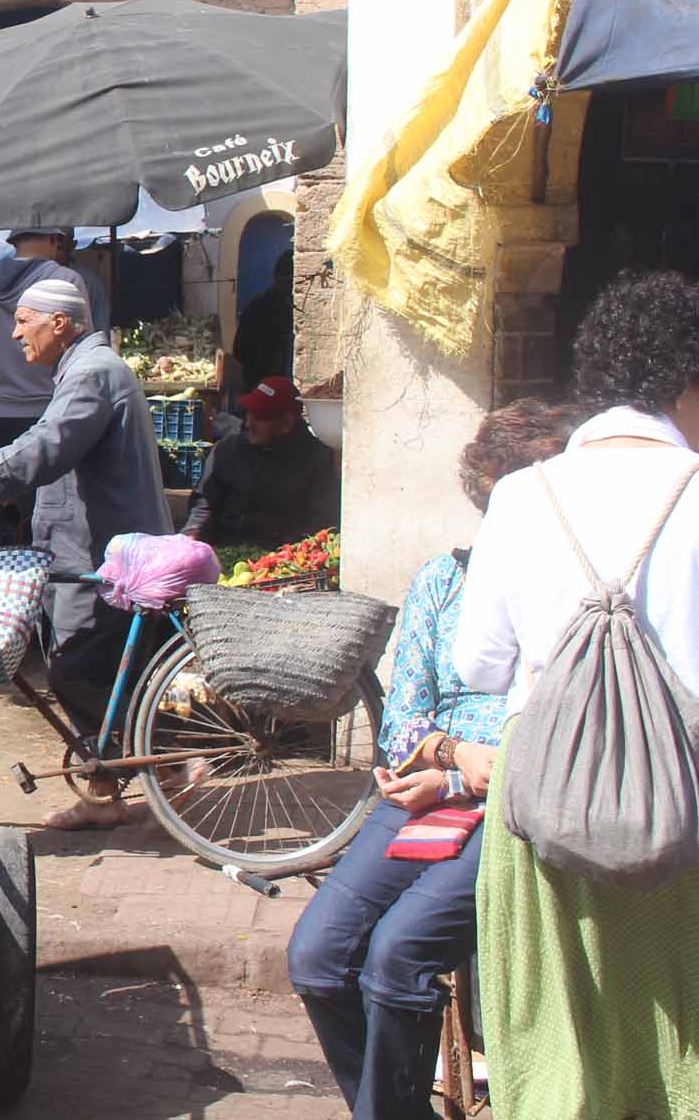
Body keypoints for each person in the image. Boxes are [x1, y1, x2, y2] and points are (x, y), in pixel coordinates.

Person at [285, 398, 580, 1120]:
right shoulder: (443, 581)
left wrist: (471, 767)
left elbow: (566, 729)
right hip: (426, 795)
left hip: (516, 806)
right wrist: (450, 754)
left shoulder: (579, 593)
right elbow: (404, 718)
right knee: (317, 958)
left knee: (398, 958)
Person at [450, 271, 699, 1119]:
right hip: (686, 800)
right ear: (686, 384)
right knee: (676, 1020)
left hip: (548, 791)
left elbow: (479, 665)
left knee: (561, 1024)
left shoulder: (525, 495)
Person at [0, 275, 170, 830]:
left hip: (107, 550)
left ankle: (165, 767)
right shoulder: (84, 371)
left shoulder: (92, 374)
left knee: (72, 667)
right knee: (93, 668)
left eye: (22, 321)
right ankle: (110, 788)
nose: (14, 335)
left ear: (59, 324)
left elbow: (48, 445)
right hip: (91, 545)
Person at [0, 229, 87, 543]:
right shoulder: (67, 283)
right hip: (48, 422)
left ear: (12, 242)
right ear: (54, 240)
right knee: (49, 530)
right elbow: (82, 350)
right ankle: (42, 593)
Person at [182, 375, 341, 548]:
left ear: (286, 423)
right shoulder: (227, 451)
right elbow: (204, 504)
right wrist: (192, 533)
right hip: (227, 549)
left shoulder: (318, 459)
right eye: (248, 413)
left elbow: (322, 525)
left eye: (260, 417)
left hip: (284, 556)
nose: (249, 423)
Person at [233, 251, 296, 393]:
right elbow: (241, 349)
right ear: (279, 278)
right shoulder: (263, 307)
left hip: (263, 378)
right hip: (262, 379)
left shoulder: (263, 304)